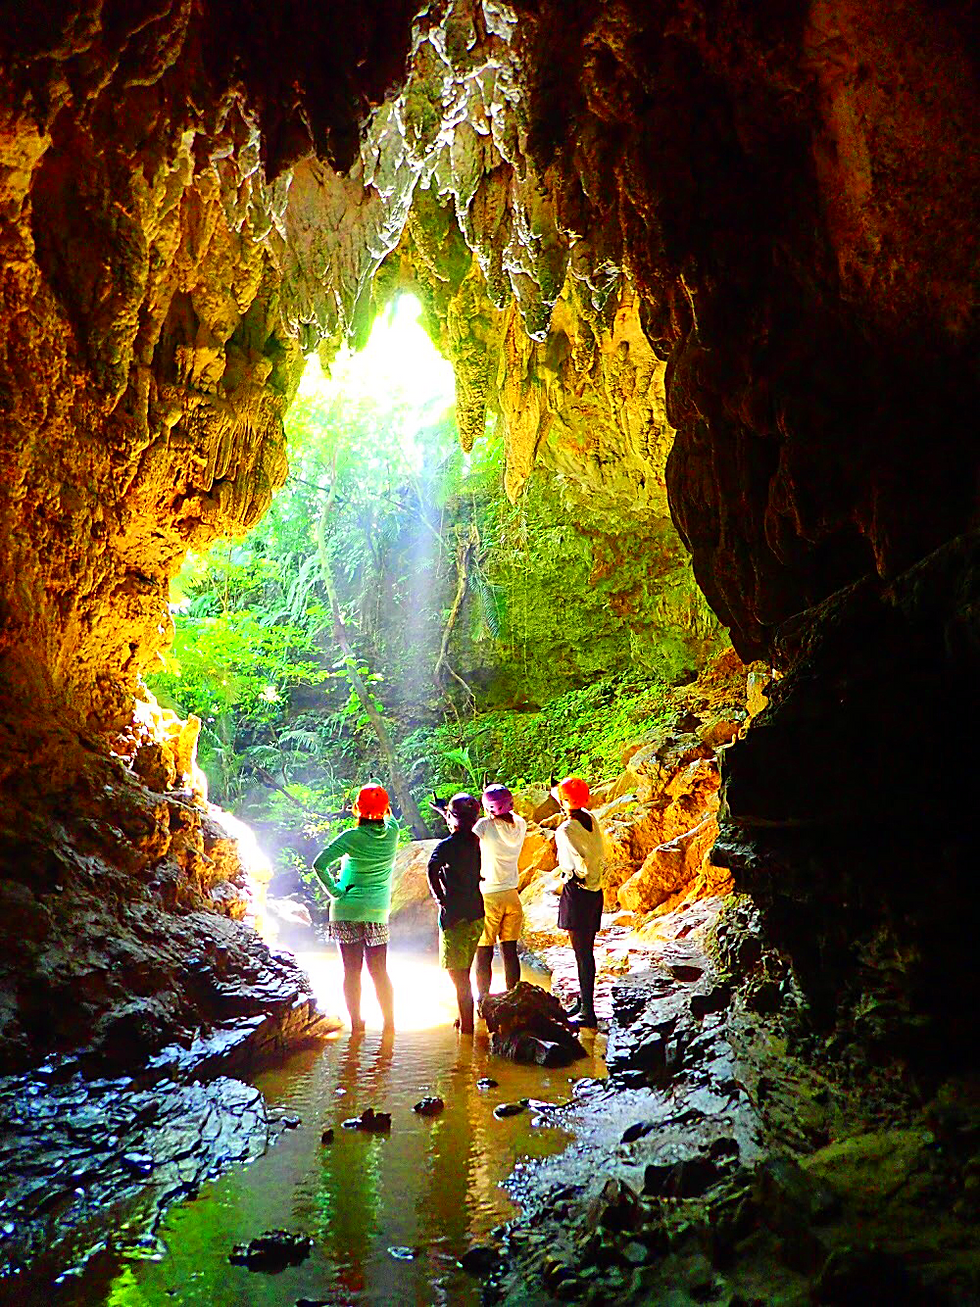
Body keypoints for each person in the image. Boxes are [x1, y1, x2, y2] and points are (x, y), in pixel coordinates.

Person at [312, 782, 399, 1032]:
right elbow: (389, 816)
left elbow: (319, 864)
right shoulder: (393, 832)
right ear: (385, 810)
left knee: (352, 971)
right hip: (376, 912)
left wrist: (336, 891)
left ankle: (357, 1026)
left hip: (346, 910)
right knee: (379, 971)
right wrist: (381, 799)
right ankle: (389, 1025)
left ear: (357, 809)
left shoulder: (350, 837)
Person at [426, 793, 485, 1034]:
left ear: (453, 818)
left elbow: (432, 869)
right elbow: (460, 826)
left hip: (456, 918)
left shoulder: (446, 847)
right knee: (465, 971)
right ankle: (464, 1019)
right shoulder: (474, 840)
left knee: (459, 979)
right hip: (476, 915)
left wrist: (441, 900)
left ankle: (467, 1034)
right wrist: (447, 813)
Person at [554, 776, 606, 1029]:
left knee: (582, 953)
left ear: (565, 801)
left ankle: (588, 1013)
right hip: (595, 892)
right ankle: (585, 1003)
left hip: (578, 891)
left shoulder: (564, 830)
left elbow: (573, 865)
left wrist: (572, 877)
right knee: (585, 952)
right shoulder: (591, 818)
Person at [472, 783, 527, 1001]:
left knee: (483, 952)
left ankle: (483, 1001)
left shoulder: (485, 825)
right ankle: (514, 998)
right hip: (512, 896)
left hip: (488, 895)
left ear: (488, 807)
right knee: (510, 951)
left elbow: (464, 837)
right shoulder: (520, 824)